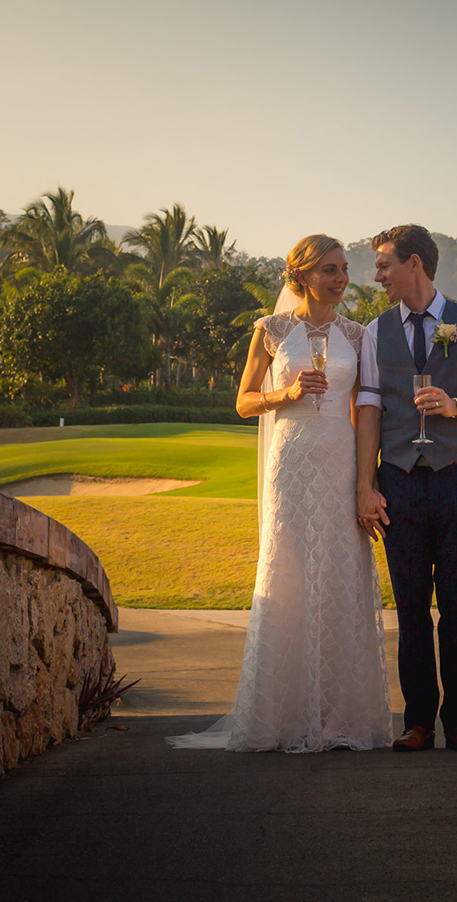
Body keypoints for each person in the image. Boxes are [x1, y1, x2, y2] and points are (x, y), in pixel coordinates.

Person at [167, 234, 393, 752]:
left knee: (340, 573)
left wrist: (366, 482)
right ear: (303, 276)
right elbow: (244, 402)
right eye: (330, 271)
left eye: (343, 270)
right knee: (288, 572)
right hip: (290, 464)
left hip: (339, 460)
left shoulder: (358, 335)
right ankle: (280, 716)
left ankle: (340, 716)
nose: (341, 280)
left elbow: (365, 413)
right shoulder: (271, 330)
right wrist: (285, 394)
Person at [354, 224, 457, 752]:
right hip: (398, 480)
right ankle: (417, 720)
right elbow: (369, 408)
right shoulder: (374, 332)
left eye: (383, 265)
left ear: (414, 263)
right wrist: (365, 484)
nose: (377, 275)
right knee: (412, 605)